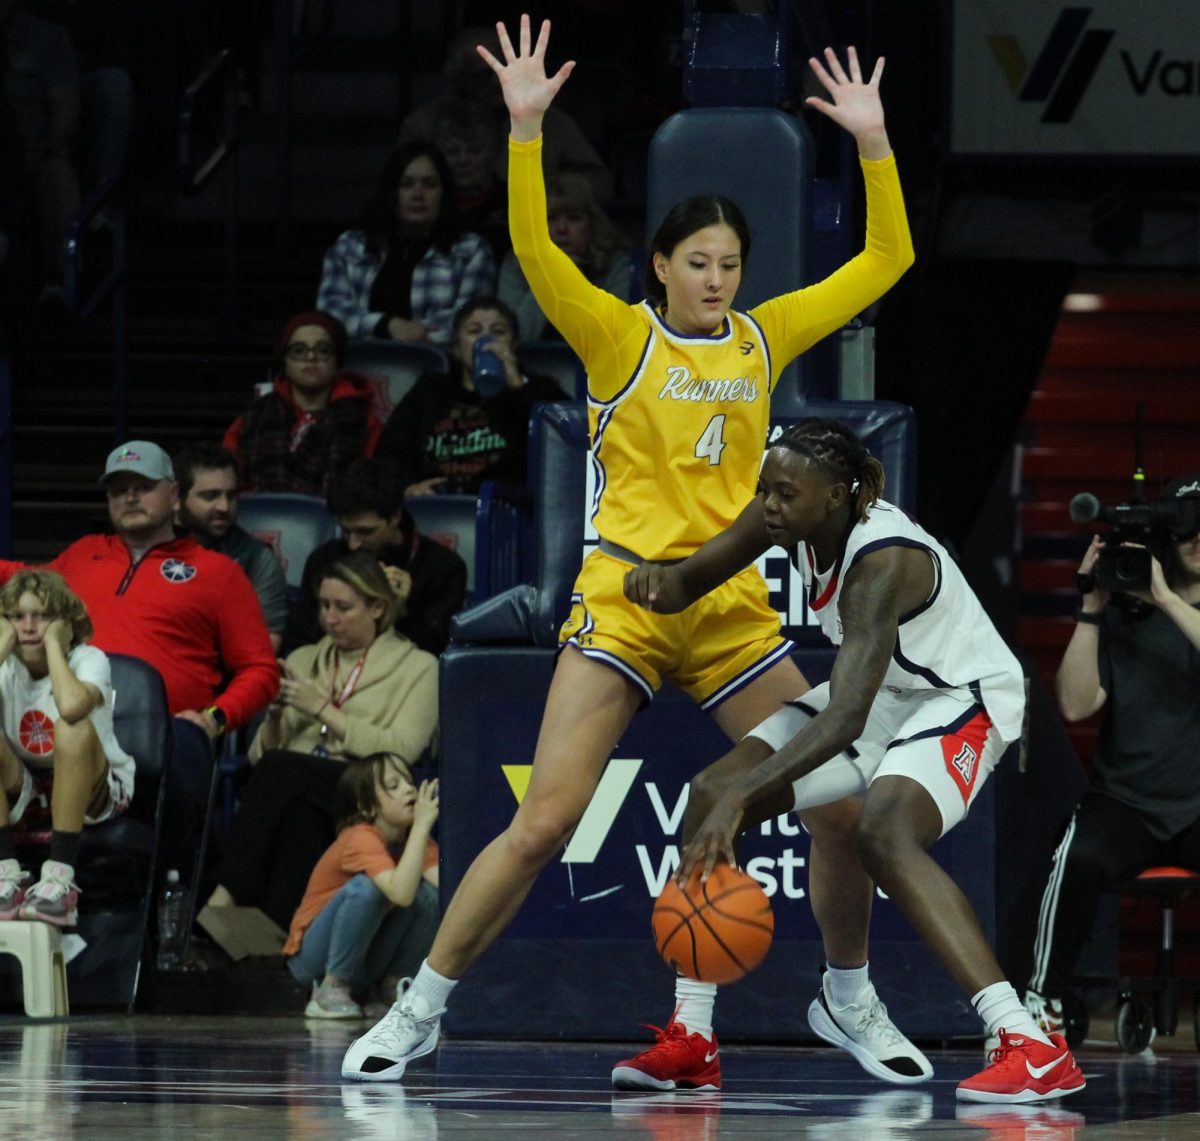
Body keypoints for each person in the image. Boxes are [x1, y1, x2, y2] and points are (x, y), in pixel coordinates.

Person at [342, 18, 917, 1085]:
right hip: (630, 602)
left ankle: (841, 997)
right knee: (544, 819)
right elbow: (534, 253)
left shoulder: (764, 336)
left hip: (736, 614)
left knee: (839, 799)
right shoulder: (619, 335)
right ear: (658, 266)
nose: (717, 280)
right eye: (697, 262)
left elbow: (890, 257)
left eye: (732, 264)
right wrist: (524, 130)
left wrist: (874, 143)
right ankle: (421, 1007)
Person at [620, 417, 1085, 1104]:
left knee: (883, 831)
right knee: (704, 790)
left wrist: (744, 799)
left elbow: (842, 720)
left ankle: (1031, 1043)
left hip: (961, 695)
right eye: (764, 491)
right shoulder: (787, 514)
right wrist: (651, 582)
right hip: (883, 690)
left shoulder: (882, 562)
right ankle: (694, 1039)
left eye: (784, 494)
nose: (768, 506)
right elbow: (690, 579)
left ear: (836, 495)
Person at [1023, 474, 1200, 1040]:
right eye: (1188, 527)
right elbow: (1076, 706)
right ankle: (1041, 1003)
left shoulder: (1168, 605)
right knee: (1076, 855)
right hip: (1127, 802)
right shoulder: (1125, 613)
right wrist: (1093, 608)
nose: (1198, 539)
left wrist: (1168, 600)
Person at [206, 552, 438, 930]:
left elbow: (401, 750)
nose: (330, 618)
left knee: (282, 771)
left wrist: (321, 709)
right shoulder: (303, 657)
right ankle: (280, 940)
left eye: (343, 607)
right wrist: (277, 717)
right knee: (299, 815)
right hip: (301, 789)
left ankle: (225, 896)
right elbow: (259, 757)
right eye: (325, 605)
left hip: (364, 787)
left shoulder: (419, 667)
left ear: (378, 607)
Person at [0, 570, 134, 926]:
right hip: (26, 786)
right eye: (17, 616)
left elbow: (73, 706)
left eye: (42, 616)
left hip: (93, 786)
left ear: (64, 622)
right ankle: (5, 875)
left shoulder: (89, 659)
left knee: (70, 728)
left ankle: (61, 880)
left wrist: (56, 647)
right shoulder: (6, 665)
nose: (28, 627)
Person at [285, 751, 440, 1020]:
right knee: (367, 889)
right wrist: (421, 826)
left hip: (364, 964)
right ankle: (330, 991)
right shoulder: (359, 837)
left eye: (408, 782)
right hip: (315, 962)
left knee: (431, 897)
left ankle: (392, 987)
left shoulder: (416, 840)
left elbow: (450, 892)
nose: (408, 790)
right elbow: (401, 894)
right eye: (394, 786)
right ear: (367, 808)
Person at [374, 295, 568, 499]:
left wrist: (519, 386)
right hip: (435, 505)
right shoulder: (430, 389)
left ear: (513, 344)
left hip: (504, 508)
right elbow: (389, 455)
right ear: (456, 348)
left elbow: (566, 440)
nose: (486, 341)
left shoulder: (536, 388)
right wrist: (408, 489)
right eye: (474, 331)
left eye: (498, 332)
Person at [400, 24, 612, 204]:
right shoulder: (423, 124)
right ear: (460, 78)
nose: (496, 81)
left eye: (505, 70)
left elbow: (600, 182)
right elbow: (401, 185)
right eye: (485, 74)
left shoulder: (549, 121)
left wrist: (541, 195)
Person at [316, 141, 496, 346]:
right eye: (406, 184)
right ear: (391, 192)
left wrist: (415, 336)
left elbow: (471, 316)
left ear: (444, 193)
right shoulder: (350, 246)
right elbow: (329, 308)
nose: (418, 194)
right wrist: (387, 325)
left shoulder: (471, 250)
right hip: (361, 365)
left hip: (439, 364)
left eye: (429, 184)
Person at [282, 458, 467, 657]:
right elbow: (300, 641)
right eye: (346, 531)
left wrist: (400, 612)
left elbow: (436, 655)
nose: (353, 544)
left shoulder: (443, 567)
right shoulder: (324, 559)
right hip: (331, 676)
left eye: (365, 532)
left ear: (395, 517)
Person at [223, 310, 383, 498]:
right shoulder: (254, 416)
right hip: (261, 522)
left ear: (336, 361)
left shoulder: (363, 420)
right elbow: (227, 482)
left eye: (322, 350)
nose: (310, 357)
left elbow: (370, 490)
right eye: (299, 350)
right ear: (285, 361)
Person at [0, 0, 80, 305]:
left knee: (58, 174)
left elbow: (65, 104)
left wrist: (55, 141)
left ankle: (59, 279)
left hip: (33, 151)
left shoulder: (48, 38)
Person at [174, 442, 288, 652]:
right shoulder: (154, 549)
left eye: (231, 496)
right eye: (210, 496)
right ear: (177, 497)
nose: (224, 507)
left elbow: (267, 642)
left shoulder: (256, 558)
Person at [498, 170, 632, 343]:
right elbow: (514, 336)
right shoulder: (516, 264)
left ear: (592, 224)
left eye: (574, 218)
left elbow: (616, 335)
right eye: (551, 218)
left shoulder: (616, 262)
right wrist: (553, 278)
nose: (562, 228)